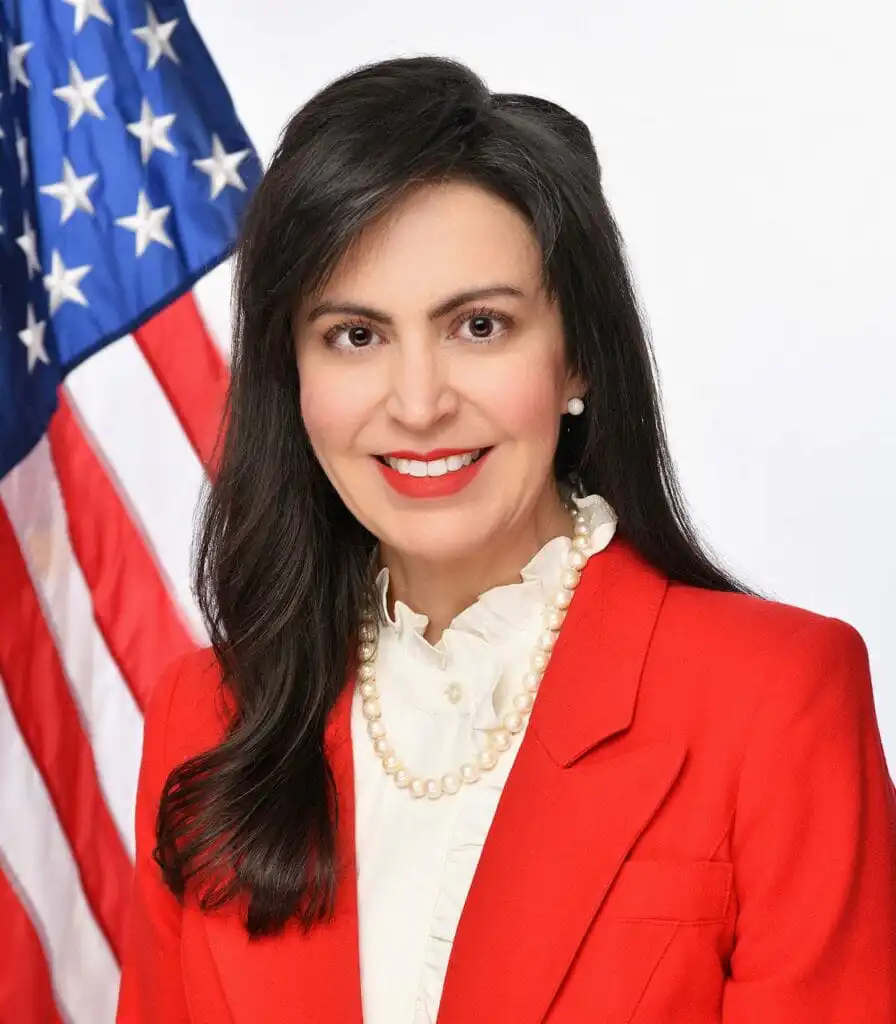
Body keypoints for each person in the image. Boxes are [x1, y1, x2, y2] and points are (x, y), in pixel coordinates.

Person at [116, 55, 896, 1024]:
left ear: (575, 356)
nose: (417, 402)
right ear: (296, 379)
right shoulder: (209, 714)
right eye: (355, 335)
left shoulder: (770, 696)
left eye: (477, 325)